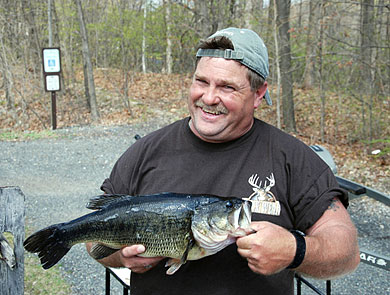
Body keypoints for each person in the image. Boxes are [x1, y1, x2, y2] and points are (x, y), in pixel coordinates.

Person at [86, 27, 360, 294]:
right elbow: (94, 239)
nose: (209, 97)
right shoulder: (146, 152)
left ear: (259, 93)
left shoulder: (291, 157)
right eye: (201, 82)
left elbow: (346, 251)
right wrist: (122, 258)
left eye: (227, 87)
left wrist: (295, 250)